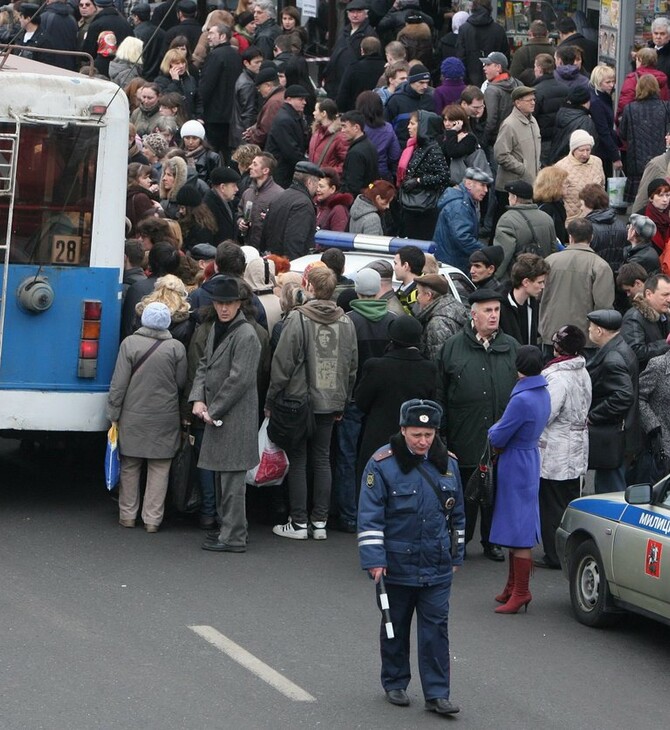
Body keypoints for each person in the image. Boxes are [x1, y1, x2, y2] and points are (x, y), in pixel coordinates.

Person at [357, 398, 463, 716]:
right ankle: (395, 681)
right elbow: (370, 516)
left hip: (437, 565)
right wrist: (374, 559)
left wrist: (455, 555)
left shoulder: (449, 464)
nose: (422, 441)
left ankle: (437, 694)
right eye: (416, 434)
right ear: (403, 430)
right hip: (395, 566)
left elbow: (457, 515)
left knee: (436, 630)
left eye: (428, 435)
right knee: (396, 626)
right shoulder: (381, 465)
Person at [267, 266, 358, 540]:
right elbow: (351, 366)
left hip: (299, 399)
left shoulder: (298, 318)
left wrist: (272, 397)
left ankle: (298, 522)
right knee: (322, 459)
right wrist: (344, 399)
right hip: (331, 401)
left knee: (298, 459)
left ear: (308, 286)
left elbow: (282, 363)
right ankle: (320, 522)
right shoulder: (346, 322)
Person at [437, 288, 520, 562]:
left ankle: (491, 541)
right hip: (466, 432)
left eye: (497, 310)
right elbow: (440, 392)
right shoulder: (453, 347)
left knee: (496, 493)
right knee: (466, 494)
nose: (494, 315)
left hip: (500, 436)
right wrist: (443, 435)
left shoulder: (511, 346)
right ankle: (460, 540)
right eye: (488, 310)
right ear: (473, 314)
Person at [189, 276, 261, 553]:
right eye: (219, 303)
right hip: (219, 415)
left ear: (239, 303)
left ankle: (233, 536)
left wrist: (211, 408)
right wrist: (197, 399)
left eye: (229, 303)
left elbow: (239, 380)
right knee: (223, 478)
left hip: (234, 417)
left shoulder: (246, 335)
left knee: (231, 482)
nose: (224, 308)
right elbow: (204, 365)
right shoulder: (219, 328)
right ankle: (229, 531)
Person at [107, 302, 187, 533]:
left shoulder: (129, 344)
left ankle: (128, 515)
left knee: (130, 466)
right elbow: (181, 382)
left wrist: (113, 414)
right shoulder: (176, 348)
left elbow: (118, 384)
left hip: (132, 415)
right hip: (165, 416)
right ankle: (152, 519)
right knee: (160, 467)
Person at [331, 268, 395, 533]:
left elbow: (342, 364)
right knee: (381, 458)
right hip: (383, 402)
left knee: (347, 456)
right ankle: (379, 510)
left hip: (354, 398)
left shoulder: (347, 321)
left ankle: (349, 514)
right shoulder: (392, 321)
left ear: (357, 291)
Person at [489, 345, 550, 613]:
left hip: (515, 461)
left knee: (519, 528)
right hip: (529, 457)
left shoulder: (521, 398)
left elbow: (498, 435)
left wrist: (492, 430)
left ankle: (521, 591)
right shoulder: (542, 392)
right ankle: (513, 586)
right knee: (518, 522)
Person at [536, 325, 591, 570]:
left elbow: (546, 413)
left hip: (558, 448)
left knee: (552, 505)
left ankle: (555, 554)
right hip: (577, 445)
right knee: (570, 501)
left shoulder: (556, 376)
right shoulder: (583, 370)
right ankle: (570, 550)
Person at [355, 315, 436, 474]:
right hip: (414, 442)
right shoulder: (428, 369)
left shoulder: (376, 367)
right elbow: (431, 404)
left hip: (377, 440)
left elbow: (361, 402)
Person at [539, 218, 614, 356]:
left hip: (551, 335)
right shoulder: (600, 266)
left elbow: (538, 294)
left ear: (570, 237)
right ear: (591, 237)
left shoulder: (550, 261)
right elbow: (603, 306)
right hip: (584, 340)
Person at [586, 309, 639, 494]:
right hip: (621, 434)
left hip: (613, 436)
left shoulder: (612, 359)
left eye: (591, 327)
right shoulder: (621, 347)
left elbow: (623, 396)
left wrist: (593, 416)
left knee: (611, 491)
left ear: (600, 331)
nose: (589, 330)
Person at [619, 75, 670, 204]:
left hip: (636, 162)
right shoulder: (665, 107)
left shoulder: (629, 108)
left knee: (638, 201)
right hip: (660, 161)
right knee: (660, 198)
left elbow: (623, 134)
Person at [493, 86, 541, 219]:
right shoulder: (509, 124)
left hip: (529, 184)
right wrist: (523, 169)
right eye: (529, 100)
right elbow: (501, 155)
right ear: (517, 102)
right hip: (511, 188)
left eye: (534, 99)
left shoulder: (533, 121)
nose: (533, 103)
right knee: (506, 221)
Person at [492, 179, 556, 281]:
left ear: (515, 198)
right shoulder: (546, 218)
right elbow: (553, 248)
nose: (508, 198)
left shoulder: (507, 219)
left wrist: (495, 277)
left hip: (518, 279)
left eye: (509, 195)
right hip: (541, 278)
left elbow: (504, 253)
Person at [433, 166, 492, 271]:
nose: (486, 190)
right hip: (453, 263)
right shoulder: (459, 205)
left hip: (452, 259)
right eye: (482, 185)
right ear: (469, 184)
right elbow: (462, 237)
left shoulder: (463, 201)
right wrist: (484, 252)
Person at [261, 161, 322, 260]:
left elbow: (264, 234)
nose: (317, 188)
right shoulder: (303, 204)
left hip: (273, 261)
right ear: (310, 182)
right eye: (316, 184)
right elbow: (295, 241)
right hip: (288, 266)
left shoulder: (279, 197)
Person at [199, 23, 243, 160]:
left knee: (212, 151)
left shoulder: (215, 55)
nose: (208, 37)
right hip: (232, 114)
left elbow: (206, 85)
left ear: (222, 36)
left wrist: (199, 108)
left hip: (214, 114)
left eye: (212, 33)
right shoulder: (235, 55)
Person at [322, 0, 378, 99]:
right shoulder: (344, 32)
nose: (355, 15)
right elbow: (335, 54)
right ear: (347, 14)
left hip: (355, 85)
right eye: (352, 12)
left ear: (366, 14)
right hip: (336, 83)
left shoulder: (369, 34)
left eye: (359, 12)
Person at [620, 273, 670, 370]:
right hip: (645, 379)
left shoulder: (665, 314)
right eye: (665, 295)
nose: (669, 299)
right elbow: (636, 352)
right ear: (649, 294)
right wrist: (667, 343)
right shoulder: (634, 318)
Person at [499, 254, 550, 346]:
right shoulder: (499, 307)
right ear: (526, 282)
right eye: (540, 282)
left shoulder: (533, 303)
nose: (543, 286)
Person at [555, 130, 605, 223]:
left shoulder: (597, 162)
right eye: (581, 150)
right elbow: (557, 197)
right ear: (573, 149)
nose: (585, 154)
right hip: (573, 220)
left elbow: (602, 186)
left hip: (596, 218)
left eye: (588, 150)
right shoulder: (561, 167)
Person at [265, 84, 310, 189]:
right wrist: (306, 165)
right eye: (300, 99)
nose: (304, 102)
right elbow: (290, 150)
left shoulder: (292, 116)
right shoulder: (284, 120)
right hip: (282, 171)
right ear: (289, 99)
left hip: (285, 169)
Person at [415, 274, 468, 360]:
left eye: (419, 293)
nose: (417, 298)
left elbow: (438, 361)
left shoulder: (437, 324)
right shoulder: (455, 306)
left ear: (429, 295)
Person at [456, 0, 508, 87]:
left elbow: (460, 56)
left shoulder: (464, 29)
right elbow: (504, 58)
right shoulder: (498, 30)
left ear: (473, 8)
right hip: (495, 81)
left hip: (470, 81)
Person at [236, 152, 283, 250]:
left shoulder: (279, 195)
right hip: (248, 247)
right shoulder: (247, 193)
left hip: (268, 251)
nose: (250, 166)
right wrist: (240, 222)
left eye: (255, 164)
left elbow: (283, 224)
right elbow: (239, 213)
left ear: (265, 170)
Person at [384, 63, 436, 148]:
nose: (425, 86)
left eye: (427, 83)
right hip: (402, 149)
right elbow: (386, 128)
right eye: (421, 82)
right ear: (411, 81)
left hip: (427, 149)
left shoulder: (431, 98)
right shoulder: (396, 100)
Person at [579, 183, 627, 273]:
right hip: (617, 275)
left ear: (591, 204)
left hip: (595, 276)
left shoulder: (588, 229)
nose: (581, 208)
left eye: (582, 204)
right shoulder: (622, 225)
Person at [356, 91, 401, 182]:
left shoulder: (356, 127)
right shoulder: (387, 128)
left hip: (359, 173)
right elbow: (395, 155)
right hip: (381, 175)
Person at [616, 47, 669, 124]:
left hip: (637, 123)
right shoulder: (662, 79)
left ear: (640, 60)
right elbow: (666, 101)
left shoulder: (633, 78)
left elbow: (625, 102)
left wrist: (619, 121)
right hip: (658, 124)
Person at [549, 85, 598, 165]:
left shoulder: (561, 112)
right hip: (576, 164)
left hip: (558, 160)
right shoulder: (585, 121)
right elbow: (589, 149)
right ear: (585, 102)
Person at [81, 0, 133, 77]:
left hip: (101, 69)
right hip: (123, 69)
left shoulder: (96, 24)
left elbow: (87, 53)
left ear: (96, 6)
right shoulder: (124, 22)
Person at [588, 64, 623, 178]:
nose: (612, 85)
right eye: (608, 82)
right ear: (598, 82)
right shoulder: (598, 102)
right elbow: (603, 131)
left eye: (613, 81)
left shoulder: (600, 97)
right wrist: (615, 156)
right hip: (601, 150)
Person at [336, 36, 386, 113]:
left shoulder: (354, 68)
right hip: (378, 112)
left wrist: (340, 109)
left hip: (355, 112)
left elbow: (343, 92)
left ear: (362, 50)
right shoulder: (386, 68)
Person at [340, 110, 380, 197]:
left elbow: (353, 186)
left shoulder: (355, 153)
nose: (342, 130)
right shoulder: (370, 145)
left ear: (356, 127)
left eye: (344, 126)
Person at [308, 99, 348, 175]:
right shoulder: (316, 132)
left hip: (327, 182)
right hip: (314, 180)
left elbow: (345, 163)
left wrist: (329, 173)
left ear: (323, 113)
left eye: (316, 110)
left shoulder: (340, 137)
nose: (313, 113)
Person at [509, 20, 554, 86]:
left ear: (530, 33)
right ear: (547, 33)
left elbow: (513, 78)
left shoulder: (521, 52)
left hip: (527, 92)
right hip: (551, 91)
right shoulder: (555, 52)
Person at [203, 166, 241, 243]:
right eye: (233, 186)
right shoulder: (208, 207)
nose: (237, 189)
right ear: (222, 187)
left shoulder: (228, 201)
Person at [533, 165, 568, 244]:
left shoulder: (557, 203)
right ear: (554, 185)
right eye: (565, 183)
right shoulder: (545, 209)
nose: (567, 186)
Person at [315, 168, 352, 232]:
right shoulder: (316, 205)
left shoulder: (338, 210)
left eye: (321, 186)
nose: (317, 189)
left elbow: (338, 238)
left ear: (332, 189)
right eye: (317, 186)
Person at [640, 178, 670, 254]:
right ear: (651, 198)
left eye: (668, 195)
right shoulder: (640, 218)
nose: (665, 200)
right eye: (661, 195)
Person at [392, 244, 425, 314]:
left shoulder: (421, 294)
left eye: (395, 263)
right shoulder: (402, 291)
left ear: (405, 266)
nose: (393, 268)